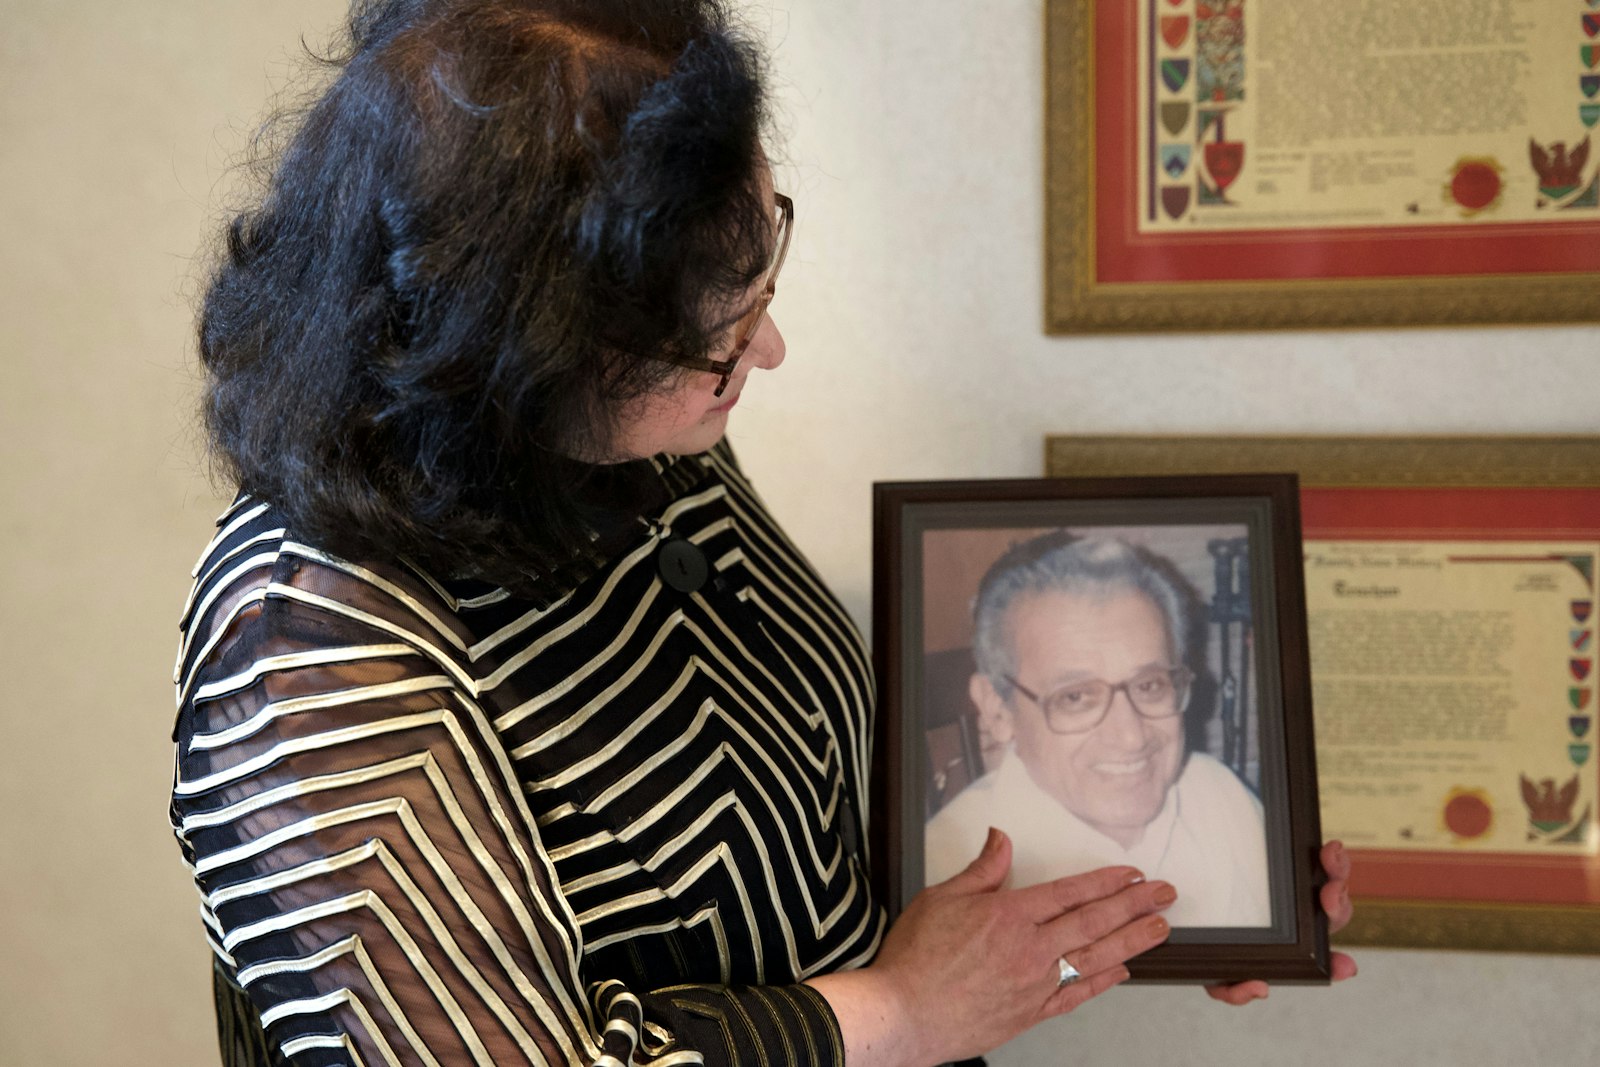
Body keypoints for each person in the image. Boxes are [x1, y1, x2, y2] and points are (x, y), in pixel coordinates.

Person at [170, 3, 1354, 1066]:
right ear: (529, 355)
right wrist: (901, 1011)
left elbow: (793, 828)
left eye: (760, 280)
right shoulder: (306, 650)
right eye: (720, 335)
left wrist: (1166, 893)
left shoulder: (632, 439)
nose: (767, 353)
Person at [925, 534, 1270, 927]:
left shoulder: (1222, 796)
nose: (1132, 737)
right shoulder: (941, 877)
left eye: (1150, 685)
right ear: (997, 710)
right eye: (1075, 697)